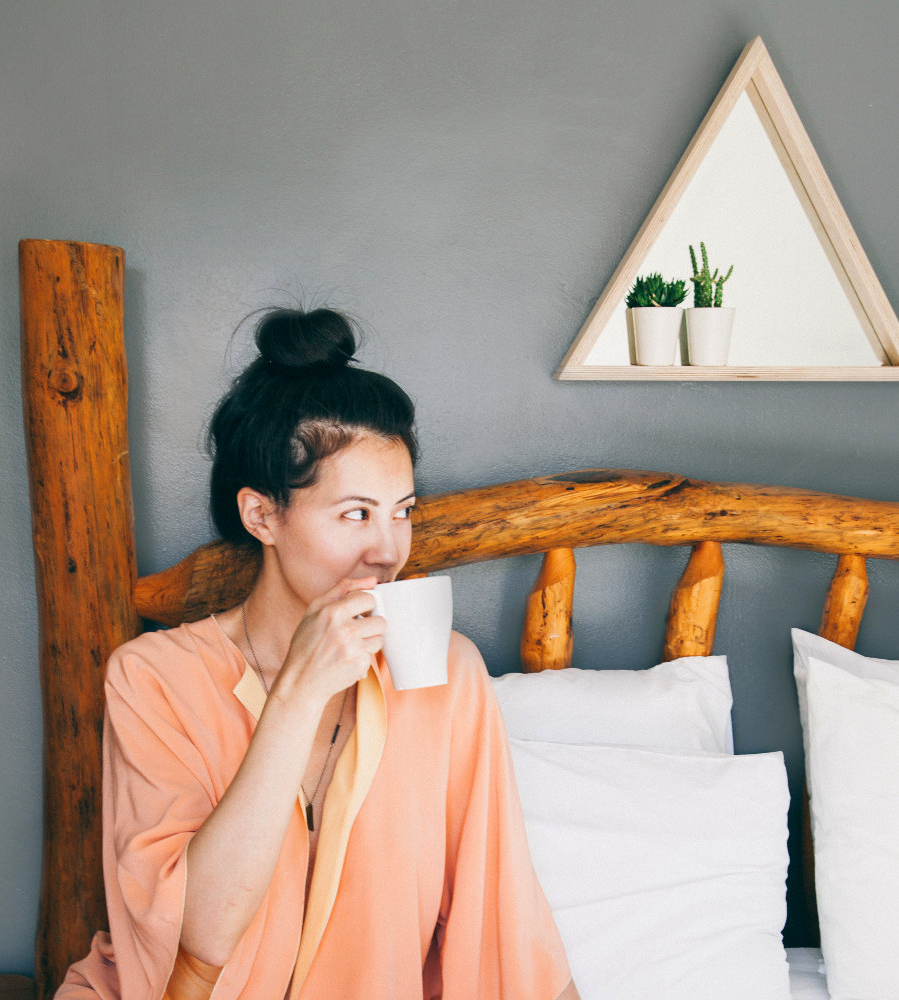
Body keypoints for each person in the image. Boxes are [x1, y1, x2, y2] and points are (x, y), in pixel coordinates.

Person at [57, 307, 579, 1000]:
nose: (389, 550)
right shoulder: (153, 678)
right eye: (356, 514)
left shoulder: (446, 675)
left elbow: (500, 915)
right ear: (262, 515)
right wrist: (297, 696)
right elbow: (197, 939)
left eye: (403, 511)